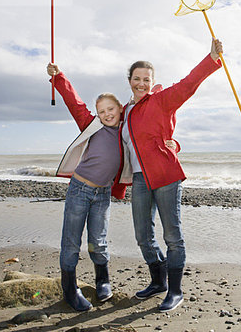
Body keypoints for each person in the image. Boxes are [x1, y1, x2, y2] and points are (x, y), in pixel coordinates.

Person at [47, 64, 178, 311]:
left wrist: (172, 144)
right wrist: (59, 78)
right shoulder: (91, 126)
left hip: (103, 194)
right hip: (80, 190)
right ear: (96, 114)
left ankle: (102, 280)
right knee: (71, 241)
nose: (107, 114)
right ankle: (69, 288)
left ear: (120, 109)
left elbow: (153, 132)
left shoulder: (127, 130)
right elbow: (75, 103)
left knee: (99, 240)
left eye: (111, 109)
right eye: (101, 111)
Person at [124, 38, 223, 312]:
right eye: (137, 78)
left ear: (152, 81)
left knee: (172, 236)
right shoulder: (125, 111)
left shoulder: (161, 100)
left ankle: (175, 291)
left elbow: (187, 85)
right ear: (129, 80)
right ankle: (159, 281)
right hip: (140, 178)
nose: (141, 83)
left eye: (146, 79)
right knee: (143, 236)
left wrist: (210, 58)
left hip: (166, 175)